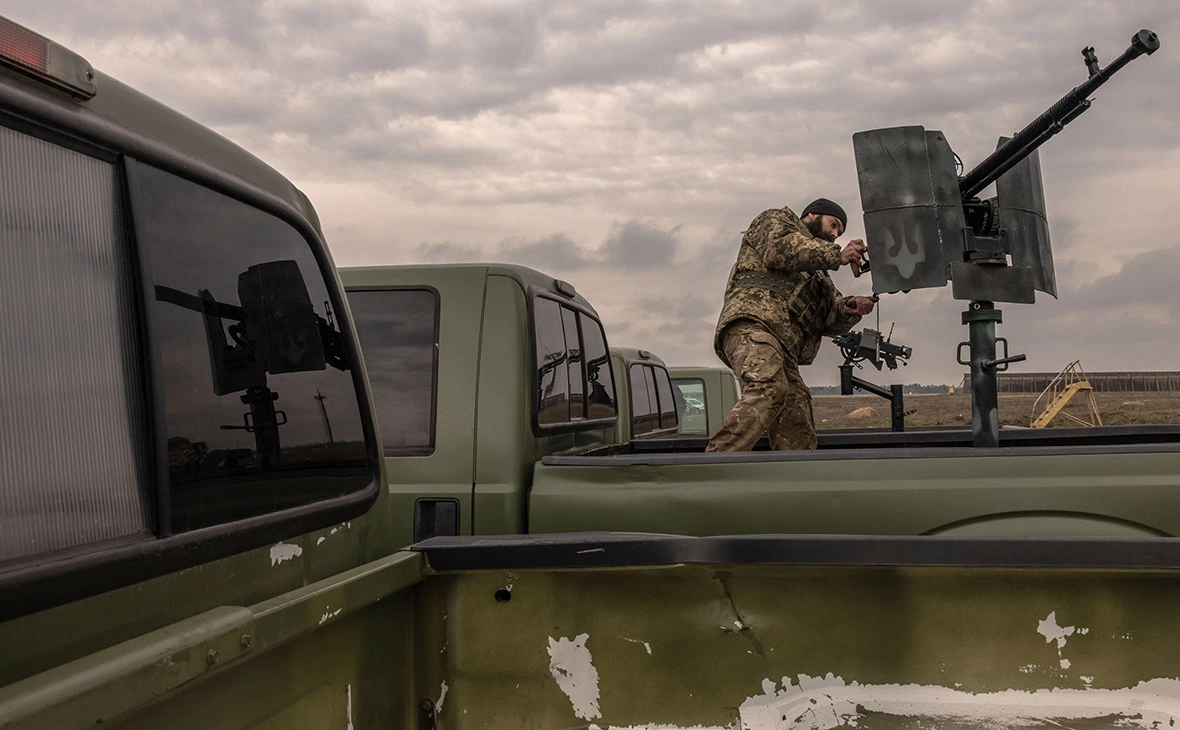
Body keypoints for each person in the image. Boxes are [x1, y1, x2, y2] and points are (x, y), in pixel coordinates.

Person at [705, 198, 875, 451]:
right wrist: (836, 255)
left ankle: (796, 478)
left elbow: (829, 316)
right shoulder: (775, 220)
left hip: (783, 346)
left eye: (839, 232)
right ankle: (714, 465)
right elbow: (780, 249)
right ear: (812, 215)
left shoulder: (818, 273)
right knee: (768, 387)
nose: (834, 234)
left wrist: (851, 307)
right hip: (752, 325)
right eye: (833, 224)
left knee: (796, 408)